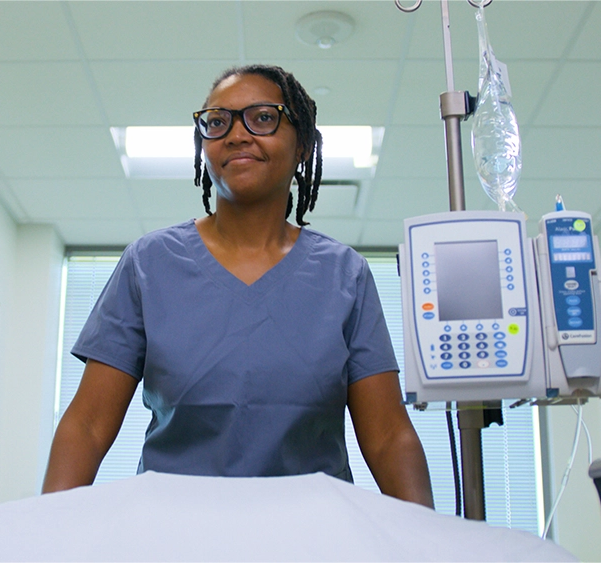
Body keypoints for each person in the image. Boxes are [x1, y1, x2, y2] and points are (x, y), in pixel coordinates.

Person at [42, 64, 434, 508]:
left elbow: (387, 437)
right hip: (174, 534)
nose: (236, 134)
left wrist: (427, 541)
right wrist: (48, 531)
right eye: (217, 122)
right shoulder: (149, 265)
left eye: (263, 117)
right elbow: (88, 426)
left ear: (302, 144)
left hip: (314, 539)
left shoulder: (345, 275)